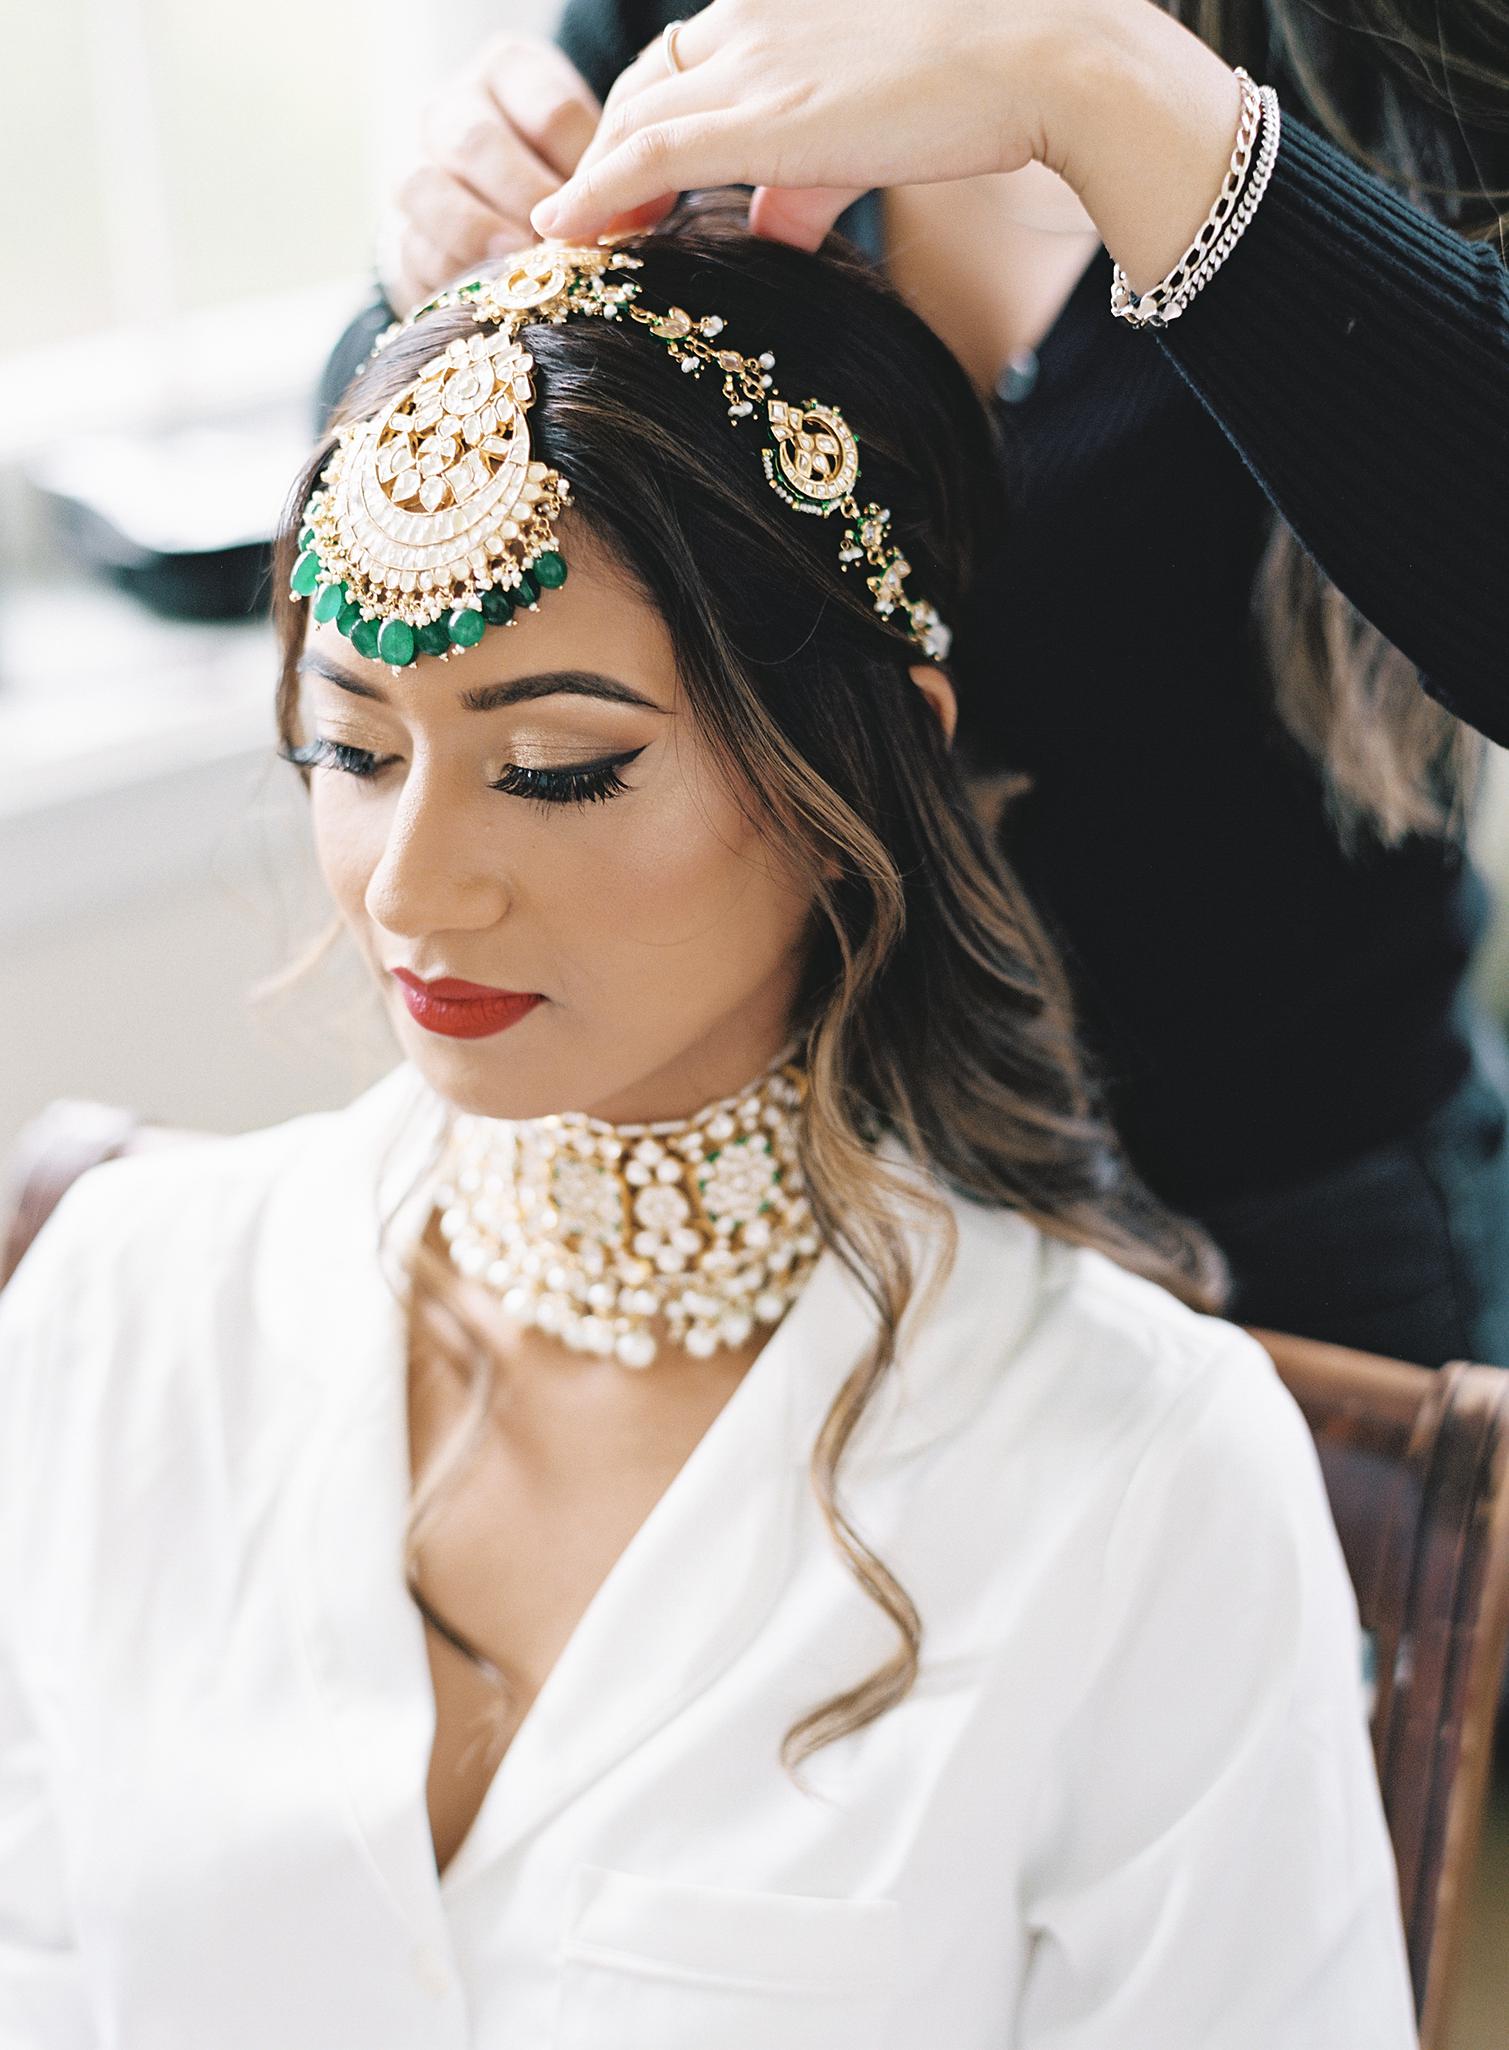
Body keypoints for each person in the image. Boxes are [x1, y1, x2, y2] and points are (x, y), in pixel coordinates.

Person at [0, 219, 1417, 2045]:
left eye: (560, 768)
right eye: (352, 751)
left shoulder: (1141, 1473)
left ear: (859, 767)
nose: (415, 888)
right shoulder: (119, 1309)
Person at [332, 0, 1509, 1371]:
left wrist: (1102, 86)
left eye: (564, 766)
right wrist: (427, 277)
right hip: (809, 1219)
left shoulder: (1427, 55)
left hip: (1298, 1243)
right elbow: (391, 628)